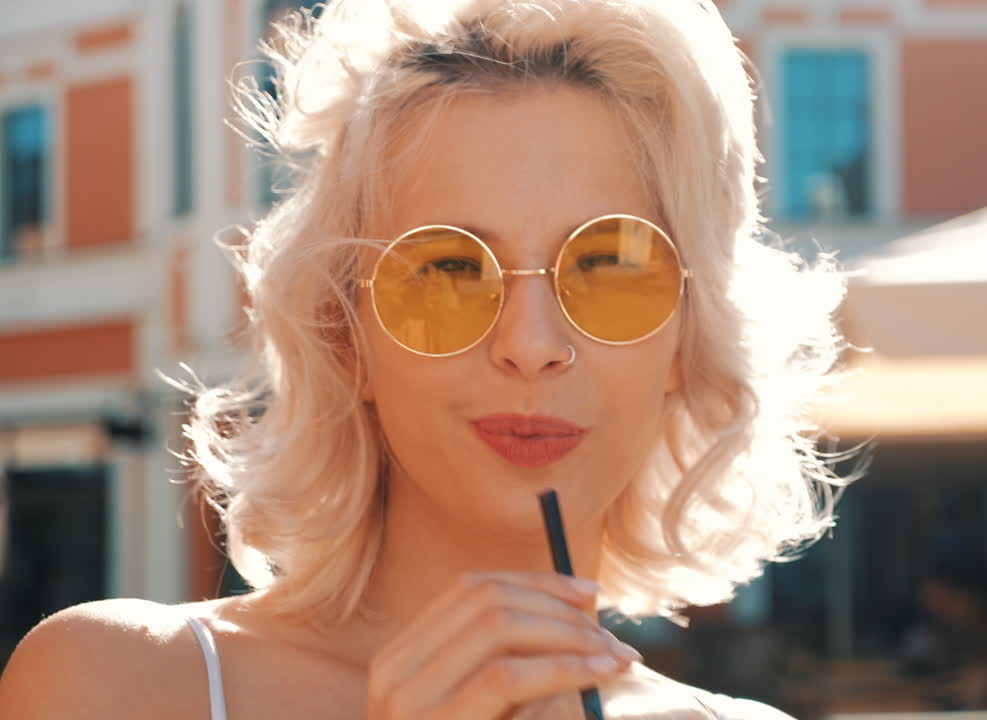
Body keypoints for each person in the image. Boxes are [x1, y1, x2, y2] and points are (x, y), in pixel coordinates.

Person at [0, 0, 849, 717]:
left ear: (686, 339)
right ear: (347, 336)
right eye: (446, 268)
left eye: (607, 265)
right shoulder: (119, 683)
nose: (529, 345)